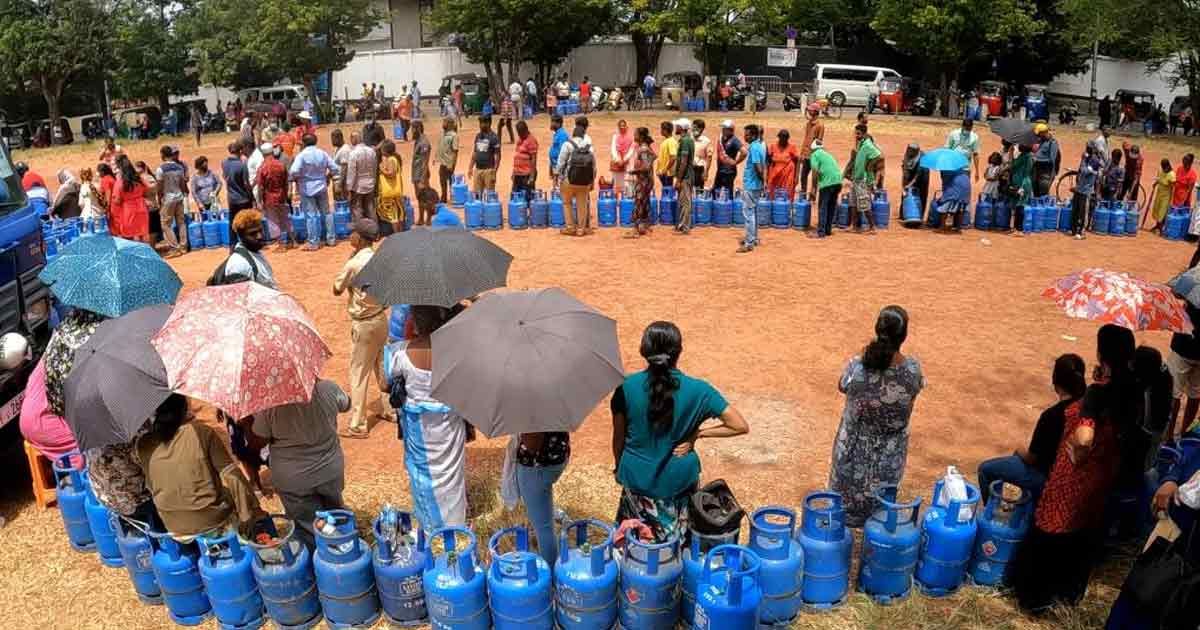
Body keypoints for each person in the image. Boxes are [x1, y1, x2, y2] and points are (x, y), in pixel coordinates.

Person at [1009, 325, 1132, 613]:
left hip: (1075, 476)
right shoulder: (1130, 390)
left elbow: (1084, 435)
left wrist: (1079, 449)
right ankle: (1068, 595)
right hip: (1103, 476)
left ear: (1103, 354)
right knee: (1083, 534)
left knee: (1052, 527)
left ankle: (1035, 599)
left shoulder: (1096, 396)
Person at [611, 321, 749, 542]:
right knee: (678, 545)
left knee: (636, 544)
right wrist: (698, 434)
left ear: (644, 351)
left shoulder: (625, 387)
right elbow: (739, 425)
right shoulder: (700, 390)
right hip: (679, 481)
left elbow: (618, 438)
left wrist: (619, 467)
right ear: (679, 352)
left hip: (636, 478)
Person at [827, 306, 925, 527]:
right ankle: (877, 522)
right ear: (904, 336)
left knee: (842, 503)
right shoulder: (913, 371)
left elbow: (842, 385)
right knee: (880, 507)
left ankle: (847, 519)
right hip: (890, 452)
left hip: (852, 449)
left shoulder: (857, 367)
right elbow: (909, 404)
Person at [137, 394, 268, 540]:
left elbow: (152, 486)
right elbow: (232, 475)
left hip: (172, 524)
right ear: (184, 408)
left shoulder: (143, 444)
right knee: (230, 494)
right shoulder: (200, 432)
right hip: (212, 521)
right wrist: (250, 514)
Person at [387, 305, 470, 529]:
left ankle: (432, 530)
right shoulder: (458, 352)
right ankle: (456, 525)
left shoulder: (399, 353)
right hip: (450, 426)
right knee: (452, 471)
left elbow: (387, 384)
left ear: (413, 323)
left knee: (423, 476)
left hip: (418, 429)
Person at [977, 354, 1087, 504]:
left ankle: (992, 517)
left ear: (1055, 381)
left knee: (986, 469)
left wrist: (1019, 450)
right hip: (1074, 475)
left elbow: (1031, 458)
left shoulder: (1051, 416)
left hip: (1048, 476)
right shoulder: (1087, 407)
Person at [254, 379, 349, 548]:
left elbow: (258, 436)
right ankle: (344, 548)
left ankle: (321, 560)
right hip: (330, 471)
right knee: (336, 513)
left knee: (308, 527)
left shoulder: (271, 405)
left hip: (294, 481)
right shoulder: (327, 388)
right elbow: (346, 404)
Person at [332, 220, 389, 439]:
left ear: (362, 238)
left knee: (359, 373)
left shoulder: (354, 263)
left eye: (353, 233)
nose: (350, 236)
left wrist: (350, 267)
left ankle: (358, 424)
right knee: (382, 367)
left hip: (363, 323)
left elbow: (336, 289)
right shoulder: (381, 259)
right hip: (381, 318)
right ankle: (389, 409)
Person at [19, 358, 78, 464]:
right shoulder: (80, 355)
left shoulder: (56, 349)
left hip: (29, 420)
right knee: (94, 446)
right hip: (43, 422)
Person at [290, 133, 340, 251]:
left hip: (307, 188)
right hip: (322, 186)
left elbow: (294, 171)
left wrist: (301, 177)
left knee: (311, 216)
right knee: (327, 213)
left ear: (303, 143)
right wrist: (326, 176)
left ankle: (313, 242)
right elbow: (335, 168)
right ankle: (331, 239)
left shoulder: (302, 155)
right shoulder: (322, 153)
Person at [220, 209, 277, 289]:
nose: (259, 236)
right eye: (252, 234)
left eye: (260, 231)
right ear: (240, 236)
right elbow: (240, 297)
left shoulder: (254, 252)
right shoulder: (239, 264)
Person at [1167, 303, 1200, 441]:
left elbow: (1177, 292)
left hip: (1183, 347)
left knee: (1173, 393)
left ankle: (1168, 435)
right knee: (1195, 394)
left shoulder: (1195, 289)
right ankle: (1183, 434)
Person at [556, 125, 596, 236]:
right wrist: (591, 181)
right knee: (582, 204)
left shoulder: (567, 145)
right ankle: (581, 229)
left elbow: (560, 164)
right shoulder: (589, 147)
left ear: (573, 134)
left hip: (569, 180)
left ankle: (570, 227)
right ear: (583, 135)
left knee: (567, 203)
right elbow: (594, 167)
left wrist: (559, 177)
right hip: (584, 181)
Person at [846, 123, 883, 233]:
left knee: (864, 203)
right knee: (853, 203)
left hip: (863, 179)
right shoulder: (860, 144)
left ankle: (872, 227)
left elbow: (879, 156)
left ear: (864, 133)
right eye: (855, 133)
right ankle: (854, 226)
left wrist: (869, 166)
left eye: (859, 134)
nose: (856, 136)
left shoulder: (868, 144)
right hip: (855, 178)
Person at [256, 144, 294, 249]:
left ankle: (281, 244)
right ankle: (293, 241)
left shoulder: (262, 168)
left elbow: (261, 187)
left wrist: (259, 201)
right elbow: (286, 182)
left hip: (269, 198)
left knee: (273, 221)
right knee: (285, 219)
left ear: (263, 154)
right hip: (281, 195)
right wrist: (286, 195)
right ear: (272, 152)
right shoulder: (281, 165)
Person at [155, 146, 189, 257]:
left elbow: (159, 187)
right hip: (179, 197)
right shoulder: (179, 167)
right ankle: (184, 246)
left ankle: (174, 248)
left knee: (165, 224)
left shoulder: (161, 169)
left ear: (162, 155)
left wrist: (159, 199)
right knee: (181, 222)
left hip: (168, 199)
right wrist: (184, 194)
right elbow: (183, 184)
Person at [737, 124, 766, 253]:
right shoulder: (759, 146)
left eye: (747, 134)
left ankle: (749, 243)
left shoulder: (754, 147)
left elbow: (758, 167)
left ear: (754, 135)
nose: (745, 136)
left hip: (751, 184)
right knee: (752, 212)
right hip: (756, 185)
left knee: (748, 213)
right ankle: (753, 238)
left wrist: (762, 180)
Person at [222, 142, 253, 252]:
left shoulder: (224, 163)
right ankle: (248, 244)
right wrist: (251, 197)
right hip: (243, 199)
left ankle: (232, 246)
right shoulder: (242, 165)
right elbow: (246, 183)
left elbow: (225, 177)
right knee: (247, 222)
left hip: (232, 199)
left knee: (232, 223)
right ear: (240, 151)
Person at [110, 155, 150, 242]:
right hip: (141, 208)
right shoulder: (138, 178)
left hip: (128, 210)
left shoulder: (120, 182)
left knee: (132, 236)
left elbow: (117, 200)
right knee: (144, 234)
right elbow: (146, 190)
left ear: (118, 166)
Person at [808, 139, 842, 239]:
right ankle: (828, 230)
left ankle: (820, 232)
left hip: (827, 183)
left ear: (812, 149)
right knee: (831, 206)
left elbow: (814, 172)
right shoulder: (827, 154)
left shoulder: (814, 154)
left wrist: (813, 190)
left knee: (823, 207)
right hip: (838, 182)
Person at [626, 126, 656, 238]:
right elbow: (654, 156)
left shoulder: (643, 149)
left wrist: (634, 171)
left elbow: (646, 167)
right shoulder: (646, 147)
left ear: (641, 136)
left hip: (643, 180)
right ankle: (644, 226)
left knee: (638, 203)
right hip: (648, 180)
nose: (634, 136)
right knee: (645, 202)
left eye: (636, 134)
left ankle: (635, 230)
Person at [345, 131, 378, 226]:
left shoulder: (353, 153)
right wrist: (374, 182)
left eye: (351, 138)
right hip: (370, 184)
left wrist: (349, 188)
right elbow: (375, 169)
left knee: (357, 209)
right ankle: (374, 231)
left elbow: (351, 173)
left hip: (358, 187)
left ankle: (361, 232)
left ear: (354, 139)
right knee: (370, 208)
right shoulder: (372, 151)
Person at [1070, 145, 1102, 239]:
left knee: (1083, 212)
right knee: (1075, 210)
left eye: (1088, 149)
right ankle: (1074, 230)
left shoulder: (1094, 161)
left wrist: (1083, 160)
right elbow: (1080, 172)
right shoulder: (1087, 159)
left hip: (1086, 191)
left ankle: (1081, 232)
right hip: (1079, 189)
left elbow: (1084, 171)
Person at [467, 116, 501, 196]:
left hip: (488, 170)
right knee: (477, 196)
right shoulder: (478, 136)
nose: (480, 125)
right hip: (478, 170)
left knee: (490, 196)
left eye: (482, 123)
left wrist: (494, 171)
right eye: (480, 123)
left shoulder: (494, 137)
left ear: (488, 123)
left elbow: (498, 156)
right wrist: (470, 167)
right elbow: (475, 153)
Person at [377, 140, 405, 233]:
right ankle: (400, 233)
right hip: (395, 191)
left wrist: (381, 170)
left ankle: (397, 234)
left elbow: (391, 173)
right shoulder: (394, 158)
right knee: (398, 214)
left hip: (391, 192)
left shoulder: (392, 159)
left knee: (393, 216)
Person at [674, 119, 695, 234]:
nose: (675, 128)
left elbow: (683, 162)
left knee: (685, 202)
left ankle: (685, 226)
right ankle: (682, 224)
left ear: (681, 128)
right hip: (686, 175)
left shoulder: (685, 141)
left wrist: (679, 179)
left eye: (676, 126)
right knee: (683, 201)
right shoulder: (686, 140)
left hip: (685, 176)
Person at [765, 129, 800, 201]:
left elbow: (798, 161)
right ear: (779, 137)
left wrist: (796, 177)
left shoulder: (792, 147)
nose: (783, 140)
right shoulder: (772, 147)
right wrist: (767, 175)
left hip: (787, 176)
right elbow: (768, 161)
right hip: (775, 176)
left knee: (787, 194)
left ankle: (787, 209)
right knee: (773, 194)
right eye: (782, 137)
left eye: (785, 138)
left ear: (788, 138)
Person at [798, 104, 825, 197]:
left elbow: (819, 141)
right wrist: (802, 153)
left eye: (811, 110)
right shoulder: (808, 124)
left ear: (815, 112)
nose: (809, 112)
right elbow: (806, 139)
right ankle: (804, 194)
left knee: (814, 177)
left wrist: (816, 155)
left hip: (814, 155)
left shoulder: (820, 125)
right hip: (806, 154)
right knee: (803, 176)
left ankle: (813, 195)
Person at [712, 120, 743, 198]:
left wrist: (736, 162)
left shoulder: (734, 140)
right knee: (715, 191)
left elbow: (744, 152)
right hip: (720, 170)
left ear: (730, 130)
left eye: (724, 128)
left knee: (728, 193)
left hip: (729, 172)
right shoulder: (722, 139)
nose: (722, 130)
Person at [899, 144, 929, 224]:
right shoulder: (908, 154)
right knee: (906, 194)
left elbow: (917, 176)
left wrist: (910, 185)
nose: (908, 152)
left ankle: (919, 216)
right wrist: (904, 186)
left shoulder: (922, 159)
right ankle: (903, 214)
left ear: (916, 151)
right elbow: (905, 170)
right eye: (908, 150)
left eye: (910, 151)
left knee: (921, 195)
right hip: (911, 174)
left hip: (922, 178)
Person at [1008, 145, 1034, 232]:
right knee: (1018, 205)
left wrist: (1011, 153)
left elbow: (1012, 165)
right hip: (1021, 182)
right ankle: (1016, 228)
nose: (1019, 146)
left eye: (1021, 145)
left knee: (1020, 205)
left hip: (1022, 183)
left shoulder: (1026, 156)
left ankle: (1019, 229)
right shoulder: (1024, 155)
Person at [512, 120, 538, 207]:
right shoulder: (520, 139)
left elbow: (534, 159)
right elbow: (517, 155)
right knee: (515, 197)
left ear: (525, 130)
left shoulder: (531, 140)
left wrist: (532, 176)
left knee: (528, 198)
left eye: (520, 132)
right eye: (518, 133)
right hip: (518, 174)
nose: (519, 134)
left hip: (526, 175)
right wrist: (514, 172)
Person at [1032, 123, 1060, 198]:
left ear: (1044, 132)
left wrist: (1037, 159)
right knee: (1036, 193)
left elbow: (1051, 160)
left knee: (1043, 194)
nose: (1038, 136)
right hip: (1037, 171)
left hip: (1046, 173)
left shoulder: (1053, 143)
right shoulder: (1041, 142)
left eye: (1039, 134)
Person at [436, 118, 460, 204]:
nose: (443, 124)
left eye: (444, 122)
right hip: (443, 162)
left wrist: (452, 164)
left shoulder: (454, 136)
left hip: (449, 162)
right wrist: (436, 158)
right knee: (442, 180)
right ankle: (444, 197)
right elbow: (441, 148)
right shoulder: (444, 134)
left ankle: (453, 197)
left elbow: (455, 151)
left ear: (449, 124)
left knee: (451, 181)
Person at [1148, 158, 1175, 233]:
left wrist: (1172, 199)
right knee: (1157, 209)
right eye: (1163, 168)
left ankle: (1161, 227)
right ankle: (1157, 225)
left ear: (1168, 166)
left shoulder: (1171, 175)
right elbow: (1159, 178)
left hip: (1166, 196)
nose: (1164, 169)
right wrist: (1155, 183)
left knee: (1163, 211)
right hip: (1159, 193)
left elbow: (1172, 187)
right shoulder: (1161, 170)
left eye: (1165, 168)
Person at [610, 120, 636, 197]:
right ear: (618, 127)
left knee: (627, 183)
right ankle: (617, 202)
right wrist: (618, 160)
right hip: (617, 163)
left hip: (628, 163)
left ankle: (627, 202)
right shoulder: (615, 136)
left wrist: (624, 160)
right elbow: (613, 149)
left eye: (623, 125)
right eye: (620, 126)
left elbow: (632, 149)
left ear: (626, 127)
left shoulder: (631, 137)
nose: (622, 127)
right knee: (616, 184)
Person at [411, 120, 432, 198]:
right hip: (417, 174)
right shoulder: (418, 141)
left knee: (424, 199)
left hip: (420, 175)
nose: (412, 131)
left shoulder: (424, 142)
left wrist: (422, 180)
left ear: (418, 129)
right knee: (420, 198)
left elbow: (425, 162)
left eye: (413, 129)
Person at [655, 121, 678, 189]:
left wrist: (665, 169)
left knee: (667, 190)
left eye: (661, 129)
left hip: (667, 173)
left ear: (665, 130)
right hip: (663, 172)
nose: (660, 131)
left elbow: (673, 157)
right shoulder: (666, 141)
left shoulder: (671, 142)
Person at [691, 119, 712, 192]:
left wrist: (706, 172)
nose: (693, 129)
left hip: (699, 169)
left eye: (696, 128)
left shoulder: (706, 141)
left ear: (701, 129)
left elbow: (709, 158)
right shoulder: (689, 139)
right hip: (688, 168)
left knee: (698, 191)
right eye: (693, 127)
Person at [330, 129, 351, 202]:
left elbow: (344, 168)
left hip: (341, 182)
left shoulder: (344, 150)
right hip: (337, 181)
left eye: (333, 139)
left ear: (339, 138)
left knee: (343, 205)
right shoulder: (338, 149)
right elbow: (336, 165)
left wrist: (339, 185)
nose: (332, 141)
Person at [548, 115, 570, 185]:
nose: (551, 124)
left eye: (552, 122)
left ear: (558, 124)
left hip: (560, 167)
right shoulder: (557, 134)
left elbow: (563, 153)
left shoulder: (562, 135)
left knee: (561, 186)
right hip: (556, 165)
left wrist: (557, 171)